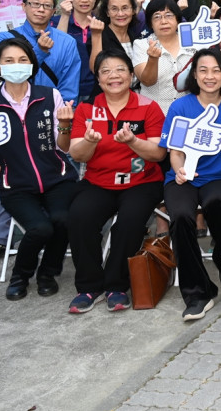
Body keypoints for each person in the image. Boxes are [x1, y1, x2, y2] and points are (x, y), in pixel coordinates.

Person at [0, 0, 83, 266]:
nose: (41, 10)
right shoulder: (7, 38)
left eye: (47, 5)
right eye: (35, 4)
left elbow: (70, 84)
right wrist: (39, 52)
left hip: (49, 118)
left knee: (58, 178)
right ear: (24, 6)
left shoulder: (66, 42)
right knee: (10, 177)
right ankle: (0, 238)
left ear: (54, 10)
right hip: (13, 115)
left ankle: (53, 248)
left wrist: (62, 114)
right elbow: (17, 67)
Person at [66, 51, 167, 313]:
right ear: (98, 79)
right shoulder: (87, 110)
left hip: (141, 182)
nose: (114, 76)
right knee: (79, 217)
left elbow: (158, 154)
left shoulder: (148, 107)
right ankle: (89, 286)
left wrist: (133, 141)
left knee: (130, 222)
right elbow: (77, 154)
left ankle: (117, 285)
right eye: (106, 71)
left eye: (120, 69)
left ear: (131, 75)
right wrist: (89, 141)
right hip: (98, 182)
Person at [0, 38, 79, 301]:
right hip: (16, 185)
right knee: (41, 228)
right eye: (9, 61)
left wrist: (65, 126)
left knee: (63, 220)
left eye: (23, 60)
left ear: (32, 64)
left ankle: (47, 273)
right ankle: (20, 276)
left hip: (57, 177)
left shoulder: (50, 96)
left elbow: (64, 147)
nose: (17, 65)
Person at [161, 48, 221, 321]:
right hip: (183, 176)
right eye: (203, 70)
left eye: (215, 71)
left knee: (216, 204)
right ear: (194, 75)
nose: (209, 76)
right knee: (180, 217)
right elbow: (173, 150)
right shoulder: (180, 106)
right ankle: (197, 293)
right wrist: (180, 171)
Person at [133, 0, 196, 113]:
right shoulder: (141, 45)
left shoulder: (192, 42)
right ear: (150, 23)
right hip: (153, 115)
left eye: (169, 15)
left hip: (189, 113)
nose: (163, 21)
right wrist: (153, 59)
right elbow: (147, 81)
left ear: (178, 20)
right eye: (157, 17)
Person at [53, 0, 102, 101]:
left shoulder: (102, 25)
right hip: (65, 91)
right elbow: (57, 52)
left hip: (97, 91)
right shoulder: (56, 23)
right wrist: (65, 15)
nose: (84, 0)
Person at [91, 0, 142, 74]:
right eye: (114, 9)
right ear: (107, 12)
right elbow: (95, 68)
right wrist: (96, 36)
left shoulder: (135, 37)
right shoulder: (100, 35)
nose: (120, 14)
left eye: (125, 8)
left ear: (133, 10)